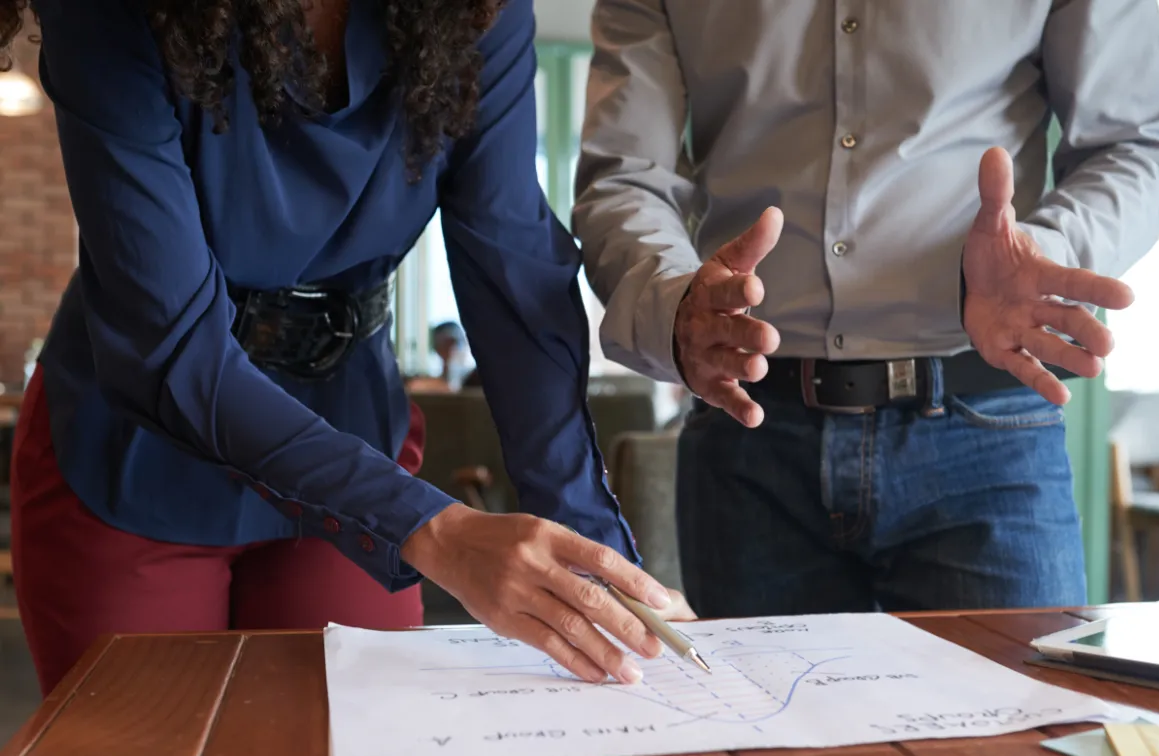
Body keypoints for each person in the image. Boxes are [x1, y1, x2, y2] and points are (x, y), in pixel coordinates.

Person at [1, 0, 691, 697]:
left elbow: (511, 284)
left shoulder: (481, 11)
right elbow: (170, 345)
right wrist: (434, 529)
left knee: (356, 755)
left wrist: (598, 564)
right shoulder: (107, 12)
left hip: (352, 439)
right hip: (135, 456)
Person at [574, 1, 1159, 615]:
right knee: (754, 714)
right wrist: (678, 304)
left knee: (1023, 713)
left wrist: (1047, 250)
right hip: (749, 431)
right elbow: (624, 177)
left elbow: (1132, 143)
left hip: (987, 432)